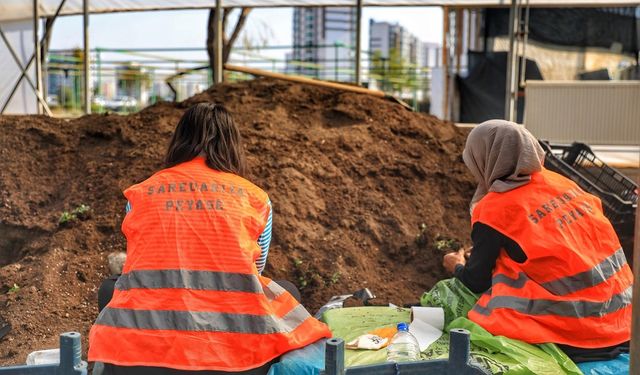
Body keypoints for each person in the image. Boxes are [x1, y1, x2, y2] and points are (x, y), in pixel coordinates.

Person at [89, 103, 332, 375]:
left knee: (111, 289)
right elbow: (255, 269)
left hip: (143, 361)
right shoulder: (255, 198)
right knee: (287, 291)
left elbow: (140, 266)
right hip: (242, 360)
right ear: (232, 145)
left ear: (179, 140)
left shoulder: (142, 194)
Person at [442, 120, 632, 363]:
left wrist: (456, 265)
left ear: (483, 159)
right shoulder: (560, 182)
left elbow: (475, 281)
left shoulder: (493, 209)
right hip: (624, 320)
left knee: (485, 314)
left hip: (577, 335)